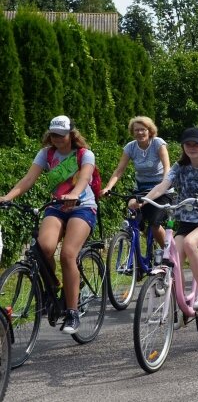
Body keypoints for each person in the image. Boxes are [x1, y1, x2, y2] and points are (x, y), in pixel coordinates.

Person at [0, 116, 97, 334]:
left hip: (82, 206)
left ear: (71, 134)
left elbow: (84, 178)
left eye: (61, 136)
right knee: (43, 248)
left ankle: (72, 311)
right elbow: (28, 179)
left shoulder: (84, 154)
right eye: (53, 135)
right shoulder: (46, 154)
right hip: (56, 206)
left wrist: (73, 194)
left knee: (68, 255)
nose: (57, 139)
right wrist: (8, 197)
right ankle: (54, 287)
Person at [144, 127, 198, 310]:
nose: (191, 147)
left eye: (196, 144)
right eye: (187, 144)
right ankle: (180, 300)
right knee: (174, 255)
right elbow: (163, 186)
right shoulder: (179, 167)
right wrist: (144, 201)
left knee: (190, 243)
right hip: (187, 220)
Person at [101, 116, 171, 247]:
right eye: (136, 130)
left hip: (161, 188)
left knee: (155, 224)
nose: (139, 133)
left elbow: (167, 167)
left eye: (143, 129)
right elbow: (119, 170)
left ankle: (167, 254)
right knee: (132, 218)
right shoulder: (130, 147)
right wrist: (108, 187)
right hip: (141, 189)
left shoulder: (157, 143)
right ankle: (139, 252)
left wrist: (164, 184)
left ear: (149, 131)